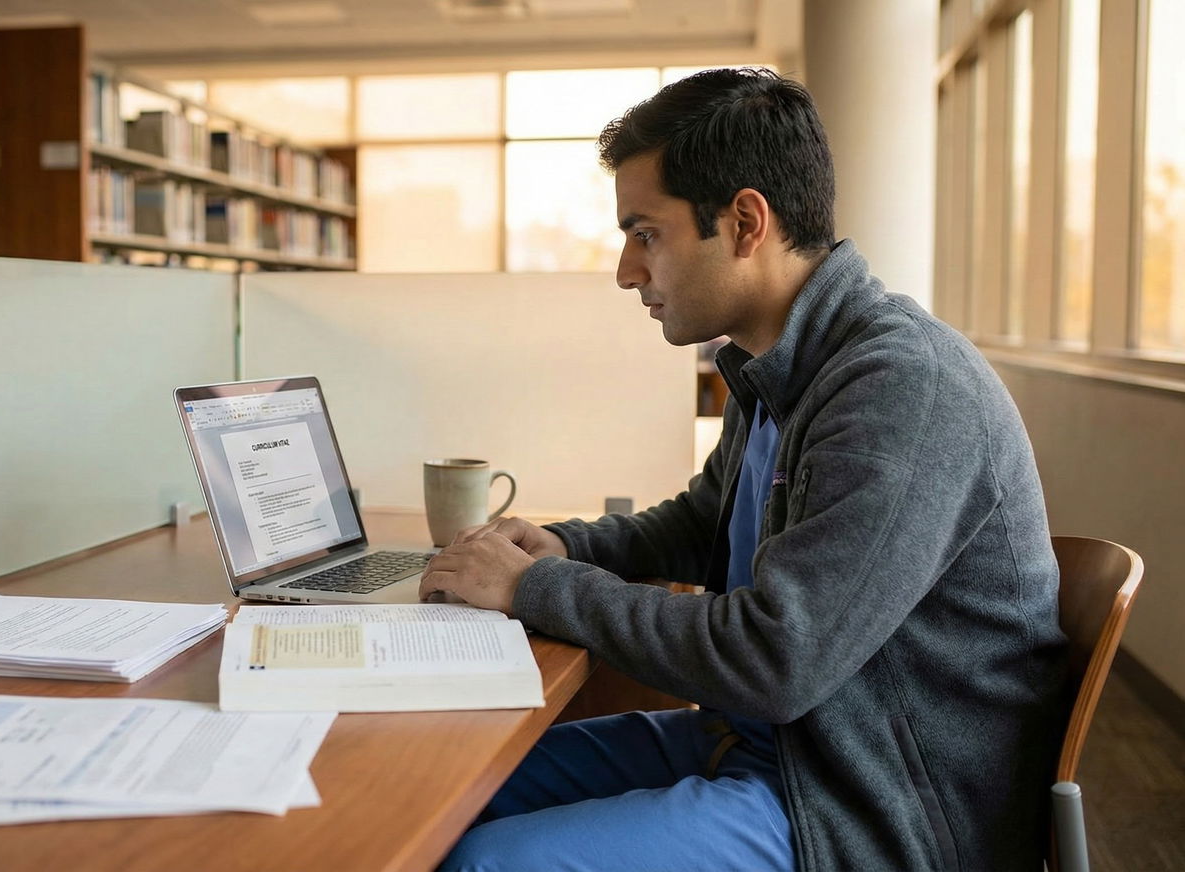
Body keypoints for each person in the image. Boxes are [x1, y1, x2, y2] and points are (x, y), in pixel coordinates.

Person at [419, 68, 1068, 872]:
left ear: (745, 223)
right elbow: (705, 524)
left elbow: (776, 659)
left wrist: (534, 589)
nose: (626, 271)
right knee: (445, 788)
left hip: (865, 805)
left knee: (486, 863)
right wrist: (567, 546)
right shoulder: (779, 367)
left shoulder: (900, 387)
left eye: (646, 234)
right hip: (775, 747)